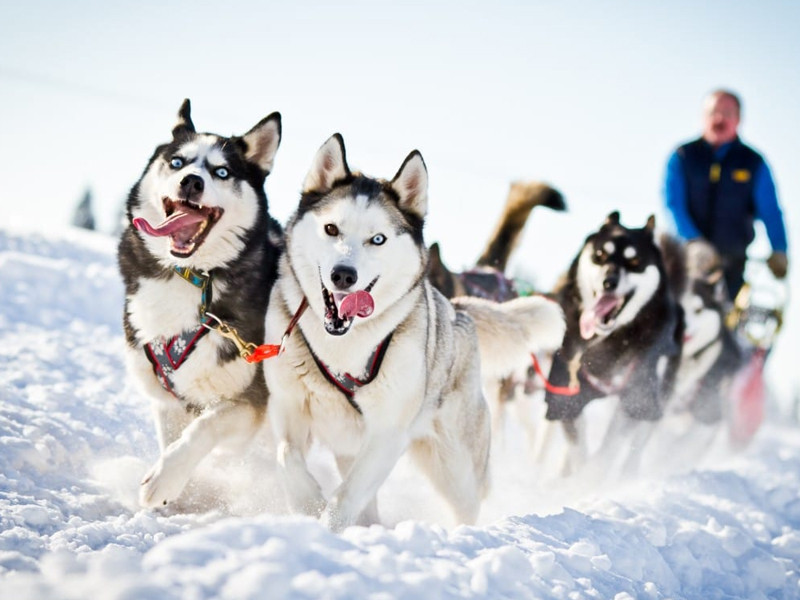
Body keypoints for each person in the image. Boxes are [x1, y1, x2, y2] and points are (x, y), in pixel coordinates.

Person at [663, 89, 789, 300]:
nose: (719, 118)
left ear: (738, 119)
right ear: (703, 117)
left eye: (727, 113)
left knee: (724, 321)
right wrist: (693, 241)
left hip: (732, 266)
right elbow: (673, 204)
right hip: (685, 264)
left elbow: (770, 211)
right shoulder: (683, 156)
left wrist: (779, 249)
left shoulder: (753, 163)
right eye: (714, 112)